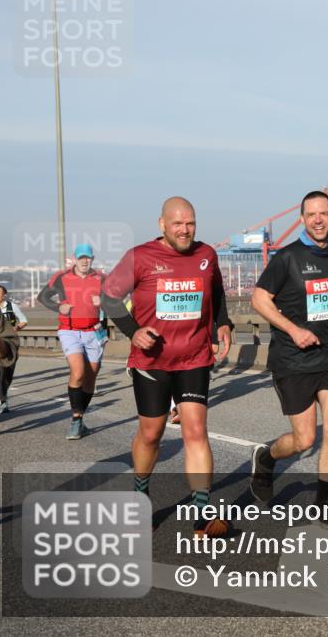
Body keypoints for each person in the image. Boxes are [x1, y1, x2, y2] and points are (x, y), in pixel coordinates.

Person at [101, 197, 233, 538]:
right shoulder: (140, 257)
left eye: (190, 223)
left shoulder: (206, 255)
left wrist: (223, 323)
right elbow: (109, 297)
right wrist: (134, 332)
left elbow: (216, 292)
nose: (185, 230)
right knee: (151, 434)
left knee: (195, 430)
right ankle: (140, 494)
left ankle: (203, 515)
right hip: (152, 361)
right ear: (162, 224)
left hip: (194, 357)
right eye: (178, 224)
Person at [248, 190, 328, 529]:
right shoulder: (287, 258)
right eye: (311, 214)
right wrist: (292, 329)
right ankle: (266, 457)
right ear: (302, 219)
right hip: (293, 359)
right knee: (304, 440)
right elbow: (258, 299)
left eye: (324, 213)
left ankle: (323, 504)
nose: (318, 219)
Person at [37, 244, 106, 439]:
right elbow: (42, 297)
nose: (85, 261)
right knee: (78, 372)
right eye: (81, 257)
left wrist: (103, 301)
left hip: (94, 331)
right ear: (75, 259)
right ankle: (76, 419)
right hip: (69, 330)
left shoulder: (101, 278)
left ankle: (80, 417)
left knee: (91, 376)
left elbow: (115, 299)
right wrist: (59, 306)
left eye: (88, 258)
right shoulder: (61, 277)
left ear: (92, 259)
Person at [0, 286, 27, 413]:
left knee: (9, 374)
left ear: (4, 295)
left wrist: (16, 328)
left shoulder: (11, 307)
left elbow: (23, 321)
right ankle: (3, 401)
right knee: (1, 373)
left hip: (10, 343)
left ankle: (3, 393)